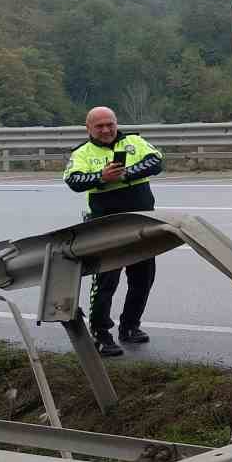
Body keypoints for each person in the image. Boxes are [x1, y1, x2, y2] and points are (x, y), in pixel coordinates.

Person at [62, 107, 164, 357]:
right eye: (100, 126)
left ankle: (130, 326)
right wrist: (102, 177)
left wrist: (125, 174)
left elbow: (156, 162)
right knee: (106, 280)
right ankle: (100, 332)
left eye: (110, 124)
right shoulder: (82, 152)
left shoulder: (134, 141)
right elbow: (73, 180)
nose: (106, 130)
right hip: (105, 228)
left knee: (143, 279)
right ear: (89, 129)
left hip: (142, 223)